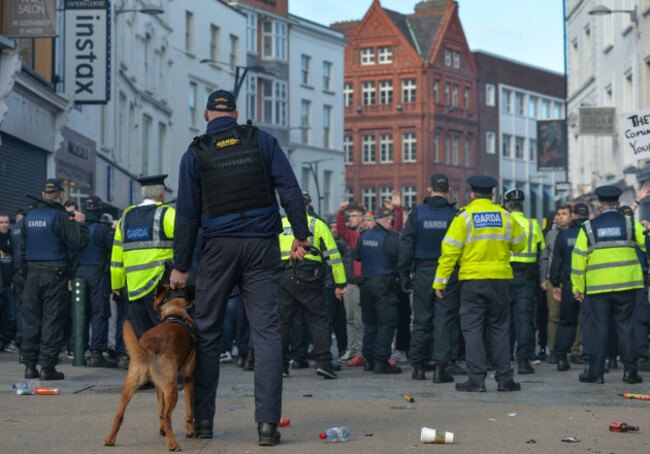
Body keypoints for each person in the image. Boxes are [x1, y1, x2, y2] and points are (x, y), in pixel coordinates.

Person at [169, 89, 310, 446]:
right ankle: (267, 426)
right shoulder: (262, 141)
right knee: (266, 333)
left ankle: (202, 421)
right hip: (262, 246)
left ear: (205, 115)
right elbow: (290, 189)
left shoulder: (195, 153)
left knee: (208, 331)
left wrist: (182, 266)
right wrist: (301, 235)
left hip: (218, 249)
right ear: (235, 113)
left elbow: (186, 214)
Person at [434, 176, 525, 393]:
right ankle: (504, 380)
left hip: (472, 281)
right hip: (500, 280)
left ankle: (476, 381)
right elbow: (520, 245)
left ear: (472, 195)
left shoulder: (463, 217)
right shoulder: (505, 216)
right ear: (492, 195)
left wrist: (440, 281)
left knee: (472, 329)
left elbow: (449, 252)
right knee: (500, 329)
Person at [571, 186, 645, 384]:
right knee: (626, 327)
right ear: (619, 204)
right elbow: (646, 245)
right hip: (628, 284)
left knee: (600, 329)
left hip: (598, 288)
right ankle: (630, 372)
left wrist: (577, 287)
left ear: (600, 205)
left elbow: (578, 260)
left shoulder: (588, 227)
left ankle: (596, 374)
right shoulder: (631, 224)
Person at [18, 179, 89, 380]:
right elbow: (78, 243)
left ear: (43, 195)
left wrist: (23, 275)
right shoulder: (60, 217)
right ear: (60, 196)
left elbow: (21, 251)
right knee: (52, 321)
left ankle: (30, 366)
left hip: (31, 276)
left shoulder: (29, 217)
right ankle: (47, 368)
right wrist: (81, 225)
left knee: (31, 321)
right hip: (54, 275)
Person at [398, 173, 460, 382]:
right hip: (448, 273)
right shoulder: (454, 215)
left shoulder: (417, 213)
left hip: (423, 271)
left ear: (428, 190)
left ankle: (418, 367)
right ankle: (441, 368)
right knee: (443, 321)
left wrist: (404, 272)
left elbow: (406, 244)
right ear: (448, 191)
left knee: (421, 319)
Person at [279, 192, 346, 379]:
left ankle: (281, 366)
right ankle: (324, 363)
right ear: (308, 206)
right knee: (318, 319)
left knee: (283, 322)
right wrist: (339, 283)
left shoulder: (280, 224)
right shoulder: (317, 224)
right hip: (309, 275)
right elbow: (333, 256)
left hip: (284, 273)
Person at [110, 175, 175, 340]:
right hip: (160, 284)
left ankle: (146, 366)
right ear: (162, 194)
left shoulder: (126, 216)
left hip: (133, 286)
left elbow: (117, 253)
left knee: (142, 337)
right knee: (163, 334)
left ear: (143, 193)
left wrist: (116, 283)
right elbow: (186, 242)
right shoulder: (166, 213)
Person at [352, 206, 402, 374]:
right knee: (386, 324)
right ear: (379, 219)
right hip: (384, 286)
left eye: (391, 218)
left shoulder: (364, 235)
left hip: (366, 285)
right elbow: (401, 258)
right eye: (388, 218)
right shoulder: (390, 238)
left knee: (370, 323)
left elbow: (356, 256)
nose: (391, 220)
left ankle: (369, 360)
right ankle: (381, 361)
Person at [503, 189, 545, 375]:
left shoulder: (503, 223)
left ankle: (503, 357)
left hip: (504, 277)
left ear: (507, 205)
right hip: (526, 279)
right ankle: (524, 362)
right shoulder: (532, 225)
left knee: (502, 320)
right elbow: (542, 252)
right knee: (524, 321)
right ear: (523, 206)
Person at [77, 196, 116, 368]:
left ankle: (79, 352)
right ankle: (96, 354)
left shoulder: (78, 228)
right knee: (99, 313)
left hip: (79, 273)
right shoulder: (103, 230)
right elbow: (114, 250)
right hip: (98, 273)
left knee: (80, 314)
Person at [549, 203, 589, 371]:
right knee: (592, 321)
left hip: (569, 282)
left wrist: (555, 283)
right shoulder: (591, 232)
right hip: (591, 281)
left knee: (567, 320)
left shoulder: (564, 235)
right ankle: (593, 357)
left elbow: (556, 262)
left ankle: (560, 357)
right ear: (587, 216)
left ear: (573, 216)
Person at [336, 202, 366, 365]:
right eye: (350, 216)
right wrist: (341, 211)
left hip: (362, 283)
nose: (351, 219)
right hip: (350, 283)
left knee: (360, 319)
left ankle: (360, 351)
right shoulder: (353, 236)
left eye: (355, 216)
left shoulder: (363, 235)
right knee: (349, 318)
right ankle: (351, 348)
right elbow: (341, 230)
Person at [540, 205, 571, 363]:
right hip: (553, 280)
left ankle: (575, 351)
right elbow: (544, 258)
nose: (560, 217)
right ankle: (552, 350)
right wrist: (543, 280)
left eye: (564, 214)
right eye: (558, 214)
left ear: (571, 216)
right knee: (554, 316)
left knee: (574, 317)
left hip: (571, 279)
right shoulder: (551, 235)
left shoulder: (576, 234)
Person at [0, 213, 16, 352]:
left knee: (11, 316)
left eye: (6, 222)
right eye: (1, 222)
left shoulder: (13, 239)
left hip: (10, 285)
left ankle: (9, 341)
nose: (4, 225)